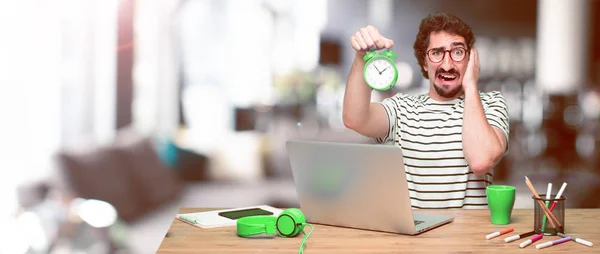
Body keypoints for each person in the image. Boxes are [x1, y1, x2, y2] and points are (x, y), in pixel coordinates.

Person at [342, 12, 509, 209]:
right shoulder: (401, 108)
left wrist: (471, 84)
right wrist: (362, 55)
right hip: (414, 237)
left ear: (470, 59)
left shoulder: (491, 104)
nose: (447, 65)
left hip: (469, 237)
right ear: (424, 63)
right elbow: (354, 118)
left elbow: (481, 160)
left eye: (457, 52)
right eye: (437, 53)